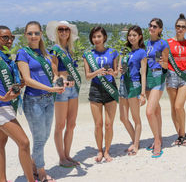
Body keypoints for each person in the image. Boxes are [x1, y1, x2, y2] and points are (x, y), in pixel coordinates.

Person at [0, 26, 35, 182]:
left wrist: (20, 84)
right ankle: (31, 180)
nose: (9, 41)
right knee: (24, 142)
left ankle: (1, 179)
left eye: (11, 38)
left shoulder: (8, 57)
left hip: (9, 105)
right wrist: (3, 98)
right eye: (5, 38)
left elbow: (5, 83)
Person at [16, 21, 65, 182]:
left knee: (44, 136)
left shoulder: (44, 53)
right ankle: (41, 171)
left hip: (48, 100)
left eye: (36, 33)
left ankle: (32, 164)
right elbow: (27, 80)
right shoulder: (23, 53)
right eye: (30, 33)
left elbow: (53, 75)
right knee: (38, 138)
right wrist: (51, 89)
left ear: (41, 34)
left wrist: (59, 83)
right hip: (33, 101)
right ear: (25, 35)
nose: (33, 36)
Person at [46, 21, 81, 167]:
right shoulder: (55, 49)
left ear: (70, 32)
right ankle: (61, 158)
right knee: (60, 125)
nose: (64, 31)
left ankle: (67, 155)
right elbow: (54, 73)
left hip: (73, 88)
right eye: (61, 29)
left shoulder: (69, 49)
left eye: (66, 29)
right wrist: (62, 80)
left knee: (71, 124)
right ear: (57, 32)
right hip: (62, 89)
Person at [83, 26, 119, 162]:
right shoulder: (88, 54)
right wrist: (97, 72)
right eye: (94, 37)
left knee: (109, 124)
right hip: (96, 89)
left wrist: (112, 73)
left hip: (110, 89)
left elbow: (116, 72)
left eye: (99, 36)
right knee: (98, 124)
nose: (96, 39)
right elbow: (87, 76)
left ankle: (107, 151)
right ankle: (99, 151)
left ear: (104, 37)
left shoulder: (113, 52)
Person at [166, 14, 186, 145]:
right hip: (171, 75)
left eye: (183, 27)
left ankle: (183, 134)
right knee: (173, 107)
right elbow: (161, 59)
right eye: (178, 26)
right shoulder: (167, 43)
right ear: (175, 27)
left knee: (179, 106)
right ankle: (179, 134)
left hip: (184, 76)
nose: (180, 29)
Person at [118, 25, 147, 156]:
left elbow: (143, 73)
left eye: (134, 35)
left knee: (136, 118)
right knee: (123, 117)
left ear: (140, 36)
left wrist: (143, 93)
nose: (132, 37)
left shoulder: (142, 52)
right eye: (130, 35)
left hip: (134, 84)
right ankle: (135, 140)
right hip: (123, 83)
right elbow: (120, 70)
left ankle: (135, 144)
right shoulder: (125, 52)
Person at [145, 18, 169, 158]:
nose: (152, 28)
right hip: (147, 78)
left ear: (160, 29)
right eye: (150, 25)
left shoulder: (163, 43)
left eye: (155, 26)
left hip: (158, 77)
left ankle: (157, 142)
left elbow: (166, 65)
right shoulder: (146, 43)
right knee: (156, 110)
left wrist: (162, 63)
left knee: (149, 112)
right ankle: (159, 136)